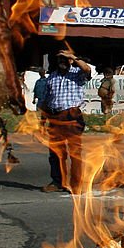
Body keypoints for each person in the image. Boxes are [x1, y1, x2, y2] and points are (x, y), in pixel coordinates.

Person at [41, 50, 91, 193]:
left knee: (75, 152)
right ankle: (58, 182)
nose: (62, 61)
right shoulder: (52, 77)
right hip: (55, 117)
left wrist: (73, 57)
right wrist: (42, 121)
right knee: (56, 152)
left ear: (70, 60)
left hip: (72, 116)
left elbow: (87, 69)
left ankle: (76, 184)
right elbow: (45, 101)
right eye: (60, 59)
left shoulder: (77, 74)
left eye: (65, 59)